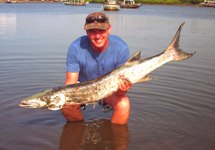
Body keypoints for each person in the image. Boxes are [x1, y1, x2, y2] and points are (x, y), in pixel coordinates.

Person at [61, 12, 132, 125]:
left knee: (123, 105)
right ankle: (78, 131)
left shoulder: (121, 48)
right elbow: (70, 84)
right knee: (65, 104)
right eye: (92, 31)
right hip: (82, 90)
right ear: (86, 32)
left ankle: (113, 140)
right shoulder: (75, 48)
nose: (97, 36)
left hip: (108, 89)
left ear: (109, 29)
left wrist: (123, 89)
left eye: (101, 30)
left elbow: (120, 93)